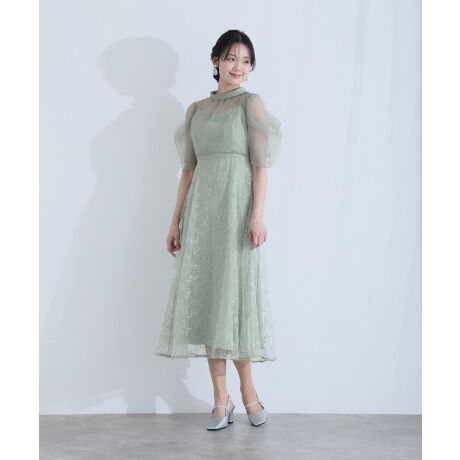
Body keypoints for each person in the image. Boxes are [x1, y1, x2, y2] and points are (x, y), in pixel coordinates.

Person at [154, 30, 282, 430]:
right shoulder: (196, 110)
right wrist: (175, 220)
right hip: (202, 213)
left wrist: (257, 215)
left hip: (236, 210)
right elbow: (188, 170)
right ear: (215, 61)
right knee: (211, 301)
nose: (238, 66)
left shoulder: (250, 103)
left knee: (234, 301)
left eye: (245, 60)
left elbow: (260, 165)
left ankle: (249, 393)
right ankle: (220, 400)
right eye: (230, 58)